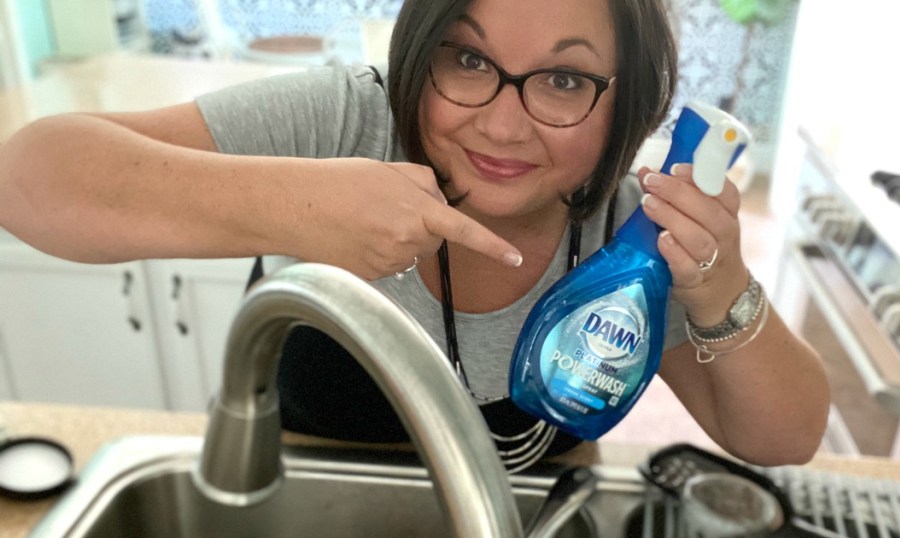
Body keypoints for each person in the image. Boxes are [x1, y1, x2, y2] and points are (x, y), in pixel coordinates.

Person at [0, 0, 829, 472]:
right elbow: (31, 179)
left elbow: (781, 439)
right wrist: (292, 204)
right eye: (467, 61)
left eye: (566, 79)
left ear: (630, 103)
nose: (502, 124)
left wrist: (722, 289)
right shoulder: (343, 121)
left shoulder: (633, 230)